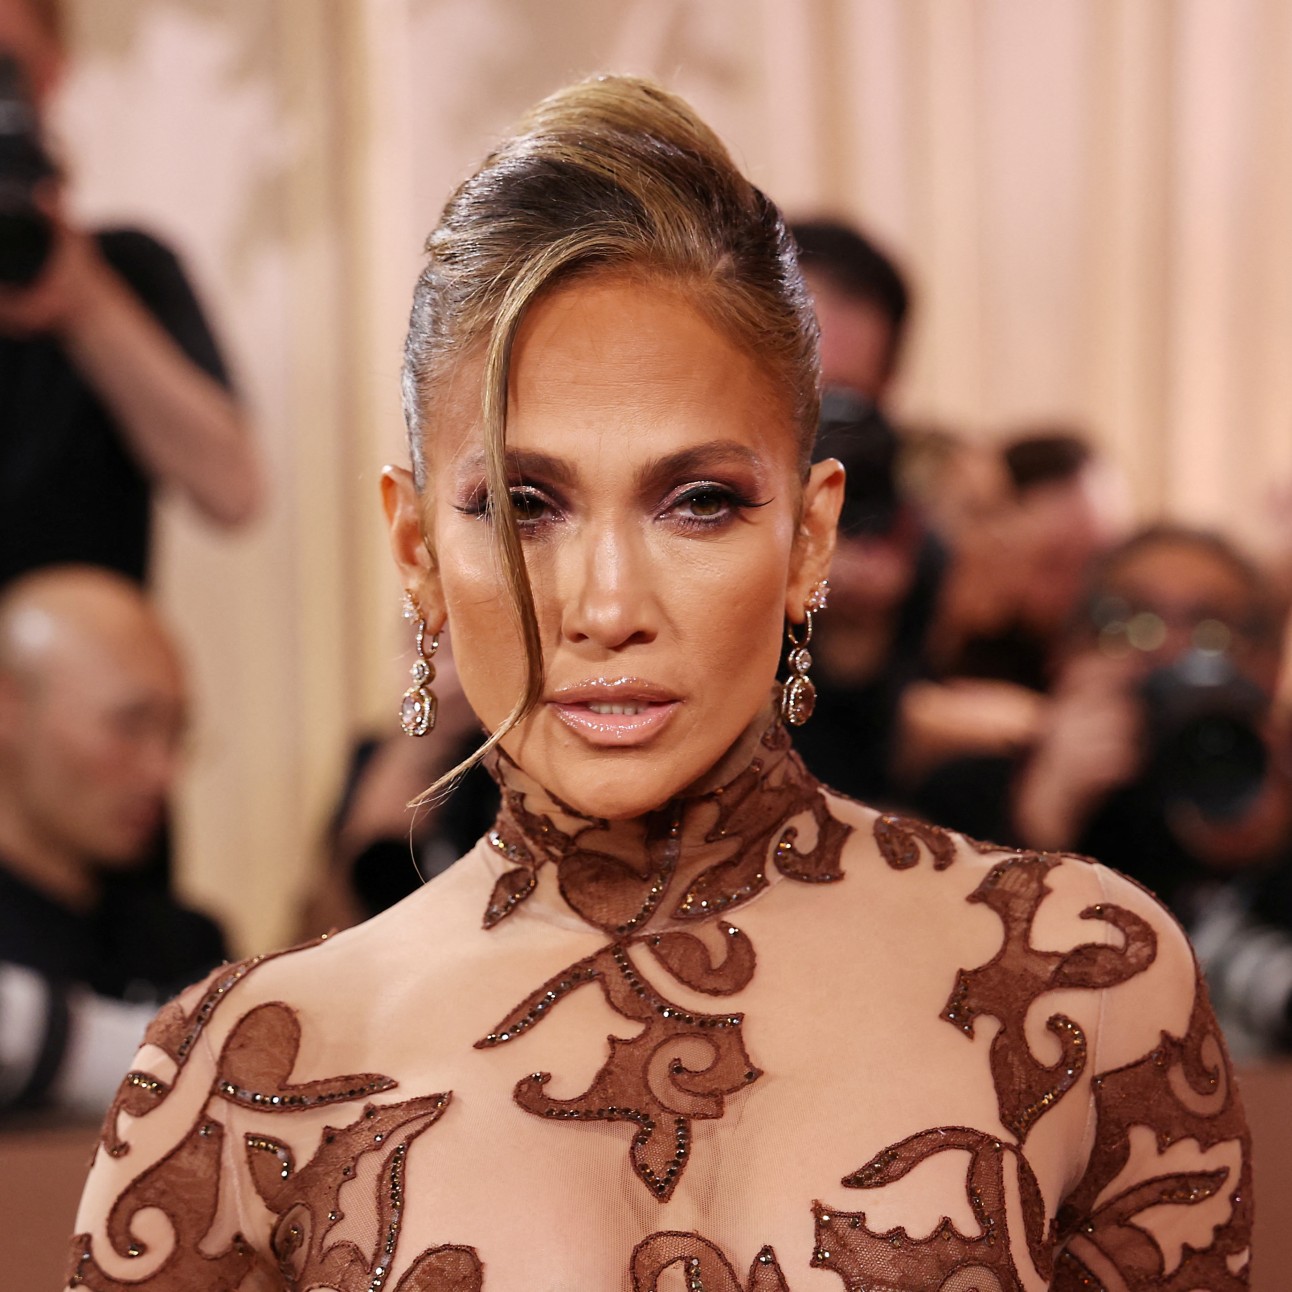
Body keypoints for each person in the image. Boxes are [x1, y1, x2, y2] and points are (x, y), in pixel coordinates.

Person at [67, 78, 1249, 1289]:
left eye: (699, 501)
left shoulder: (1084, 974)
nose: (607, 603)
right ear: (418, 551)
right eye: (523, 505)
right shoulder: (239, 1071)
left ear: (808, 540)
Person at [0, 0, 260, 586]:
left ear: (49, 72)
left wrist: (86, 303)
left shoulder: (130, 270)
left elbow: (232, 491)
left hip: (81, 668)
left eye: (3, 68)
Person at [0, 566, 226, 1111]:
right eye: (130, 725)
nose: (160, 773)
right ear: (7, 707)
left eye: (176, 735)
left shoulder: (186, 947)